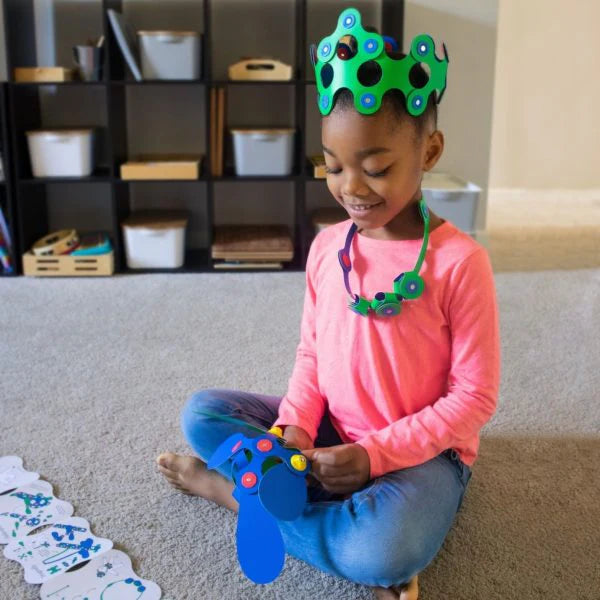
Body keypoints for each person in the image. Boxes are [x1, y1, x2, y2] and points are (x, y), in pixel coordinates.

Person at [157, 8, 500, 600]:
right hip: (326, 432)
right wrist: (293, 426)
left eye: (376, 168)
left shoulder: (459, 263)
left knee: (382, 551)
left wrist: (374, 456)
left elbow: (474, 397)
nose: (351, 188)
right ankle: (295, 490)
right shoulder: (325, 248)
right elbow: (313, 353)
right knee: (202, 414)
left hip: (423, 457)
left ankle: (231, 493)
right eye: (333, 166)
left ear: (430, 150)